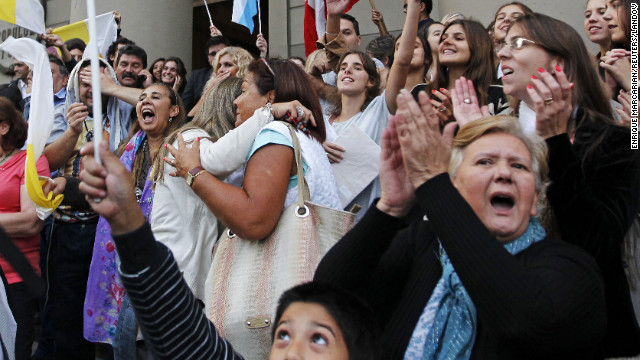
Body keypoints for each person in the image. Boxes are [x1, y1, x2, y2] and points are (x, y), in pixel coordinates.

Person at [315, 91, 608, 358]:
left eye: (518, 166)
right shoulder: (423, 244)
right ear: (455, 187)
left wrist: (433, 182)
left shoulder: (570, 266)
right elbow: (327, 295)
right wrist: (391, 208)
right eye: (485, 162)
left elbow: (524, 321)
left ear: (534, 200)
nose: (503, 173)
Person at [460, 12, 640, 357]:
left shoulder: (617, 140)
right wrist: (471, 148)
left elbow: (598, 241)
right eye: (503, 45)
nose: (503, 54)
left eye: (519, 43)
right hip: (498, 324)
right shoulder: (494, 134)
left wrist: (556, 142)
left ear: (559, 62)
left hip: (583, 332)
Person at [166, 58, 340, 356]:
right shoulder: (306, 138)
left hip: (286, 304)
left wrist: (195, 174)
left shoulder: (275, 134)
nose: (236, 100)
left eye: (244, 89)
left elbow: (253, 221)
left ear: (270, 98)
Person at [82, 83, 184, 356]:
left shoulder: (184, 149)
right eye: (141, 98)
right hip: (119, 253)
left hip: (159, 258)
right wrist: (62, 186)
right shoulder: (129, 148)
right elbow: (102, 187)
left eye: (155, 96)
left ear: (174, 110)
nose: (145, 101)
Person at [321, 0, 419, 221]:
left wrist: (413, 6)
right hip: (326, 228)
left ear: (371, 82)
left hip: (367, 228)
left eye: (357, 68)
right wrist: (333, 15)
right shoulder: (323, 122)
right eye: (344, 68)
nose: (347, 71)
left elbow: (402, 61)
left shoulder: (380, 110)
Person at [0, 97, 49, 360]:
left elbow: (31, 221)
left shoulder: (31, 162)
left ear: (3, 127)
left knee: (15, 349)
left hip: (14, 275)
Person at [431, 19, 508, 124]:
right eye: (443, 38)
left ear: (479, 47)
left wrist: (457, 122)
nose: (446, 41)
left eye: (458, 38)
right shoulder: (420, 91)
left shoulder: (501, 96)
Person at [187, 46, 253, 117]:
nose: (220, 70)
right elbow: (190, 119)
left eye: (228, 65)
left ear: (242, 69)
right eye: (219, 65)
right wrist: (209, 91)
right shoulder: (215, 94)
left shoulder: (250, 95)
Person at [182, 35, 230, 113]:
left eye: (221, 52)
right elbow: (185, 108)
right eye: (213, 54)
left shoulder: (236, 74)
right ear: (208, 58)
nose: (217, 56)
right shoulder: (196, 76)